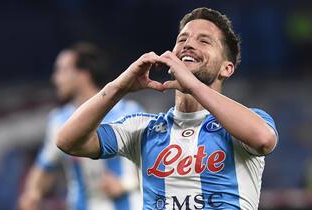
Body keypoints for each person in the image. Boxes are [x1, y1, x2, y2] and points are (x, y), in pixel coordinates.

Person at [56, 8, 278, 210]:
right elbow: (68, 141)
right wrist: (118, 87)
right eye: (183, 39)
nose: (188, 44)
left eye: (204, 41)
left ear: (226, 68)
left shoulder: (250, 121)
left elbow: (263, 139)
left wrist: (193, 85)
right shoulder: (142, 127)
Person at [18, 42, 143, 210]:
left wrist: (125, 184)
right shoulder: (59, 120)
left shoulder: (129, 112)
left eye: (61, 71)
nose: (55, 79)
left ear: (83, 75)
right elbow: (44, 166)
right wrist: (32, 195)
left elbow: (157, 163)